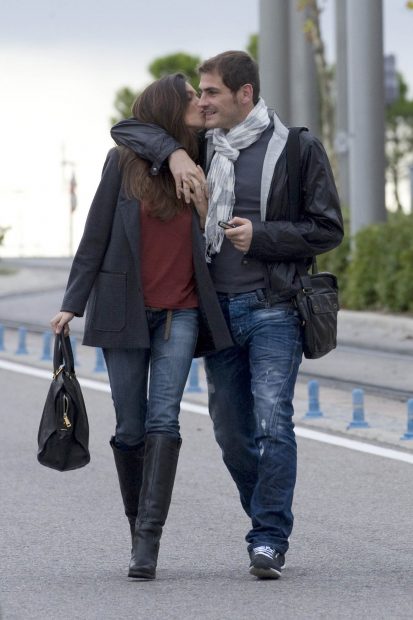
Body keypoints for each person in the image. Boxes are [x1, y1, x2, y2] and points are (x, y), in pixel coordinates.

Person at [110, 50, 344, 580]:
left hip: (274, 306)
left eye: (212, 92)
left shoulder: (298, 147)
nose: (203, 101)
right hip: (216, 314)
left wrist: (261, 237)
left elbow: (328, 229)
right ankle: (266, 517)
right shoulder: (200, 145)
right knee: (231, 434)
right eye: (200, 92)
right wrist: (172, 154)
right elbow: (126, 128)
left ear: (245, 94)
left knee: (271, 420)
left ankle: (267, 539)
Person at [50, 73, 233, 581]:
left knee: (163, 423)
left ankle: (148, 543)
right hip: (122, 311)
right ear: (169, 110)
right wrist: (73, 302)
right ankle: (136, 528)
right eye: (191, 98)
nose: (201, 102)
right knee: (129, 428)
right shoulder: (123, 162)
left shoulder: (211, 157)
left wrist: (197, 191)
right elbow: (96, 234)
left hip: (182, 311)